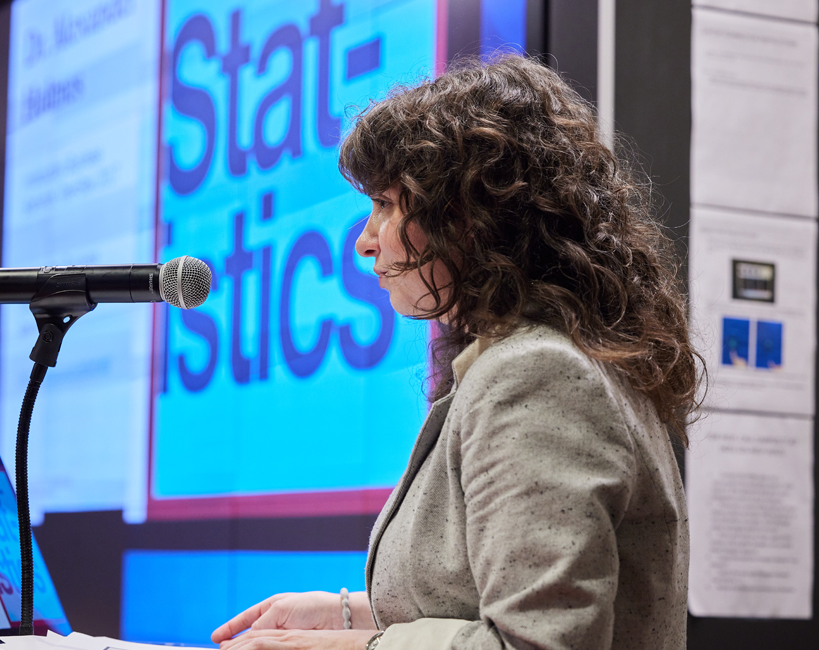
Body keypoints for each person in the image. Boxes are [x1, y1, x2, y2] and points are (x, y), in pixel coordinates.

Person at [210, 55, 704, 650]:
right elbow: (486, 596)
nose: (365, 241)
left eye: (388, 205)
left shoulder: (537, 375)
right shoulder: (546, 359)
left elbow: (541, 643)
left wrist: (357, 648)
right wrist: (348, 614)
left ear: (468, 215)